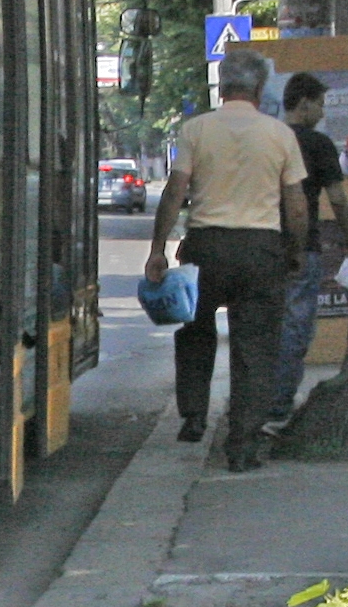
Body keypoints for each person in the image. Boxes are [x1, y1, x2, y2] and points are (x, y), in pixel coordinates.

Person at [144, 48, 308, 472]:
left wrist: (157, 250)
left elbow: (175, 192)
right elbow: (295, 204)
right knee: (255, 347)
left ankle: (194, 414)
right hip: (261, 249)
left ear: (222, 86)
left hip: (206, 247)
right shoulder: (280, 135)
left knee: (195, 329)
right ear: (259, 87)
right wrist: (295, 251)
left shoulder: (196, 130)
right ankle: (243, 445)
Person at [264, 72, 348, 432]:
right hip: (302, 247)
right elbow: (338, 199)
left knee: (265, 327)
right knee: (295, 328)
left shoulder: (267, 139)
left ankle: (257, 403)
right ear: (304, 103)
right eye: (320, 104)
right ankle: (277, 408)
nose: (322, 112)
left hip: (262, 246)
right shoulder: (317, 143)